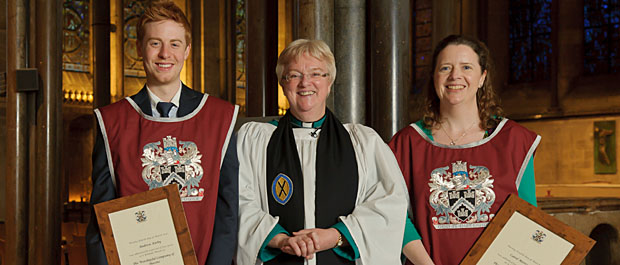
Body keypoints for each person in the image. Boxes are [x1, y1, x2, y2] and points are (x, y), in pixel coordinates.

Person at [85, 1, 239, 265]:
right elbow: (102, 220)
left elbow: (227, 215)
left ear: (187, 50)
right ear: (139, 48)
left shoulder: (220, 118)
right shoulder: (112, 121)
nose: (165, 53)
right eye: (155, 43)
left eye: (175, 44)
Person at [235, 39, 408, 265]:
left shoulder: (363, 143)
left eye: (316, 74)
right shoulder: (254, 141)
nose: (305, 82)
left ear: (330, 82)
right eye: (294, 75)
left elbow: (389, 206)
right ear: (282, 83)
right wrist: (279, 239)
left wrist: (336, 236)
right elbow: (237, 200)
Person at [389, 35, 540, 265]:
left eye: (466, 67)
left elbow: (529, 218)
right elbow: (394, 214)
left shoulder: (514, 140)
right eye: (445, 68)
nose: (455, 76)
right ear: (434, 77)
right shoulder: (407, 143)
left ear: (482, 77)